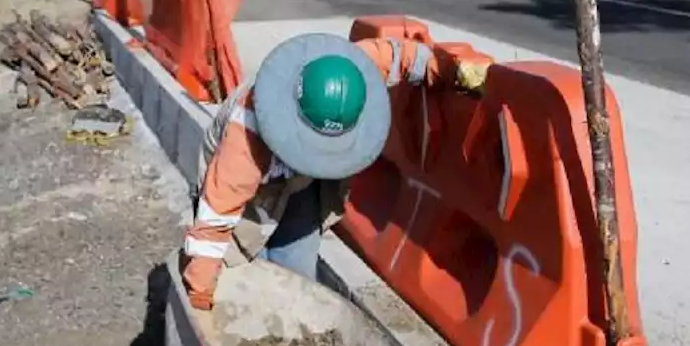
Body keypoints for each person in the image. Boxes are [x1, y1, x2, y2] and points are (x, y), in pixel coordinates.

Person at [180, 32, 489, 310]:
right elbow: (216, 216)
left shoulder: (354, 71)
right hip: (251, 187)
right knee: (242, 267)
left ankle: (289, 328)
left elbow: (401, 56)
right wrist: (201, 289)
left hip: (300, 182)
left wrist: (453, 71)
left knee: (296, 269)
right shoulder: (247, 133)